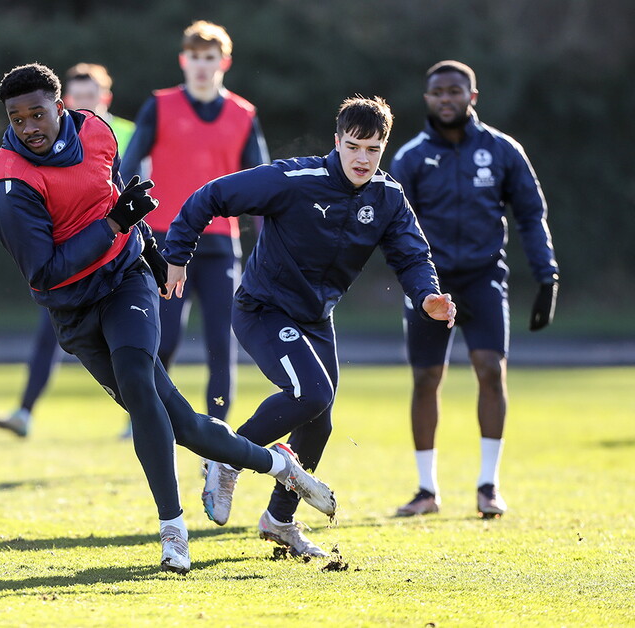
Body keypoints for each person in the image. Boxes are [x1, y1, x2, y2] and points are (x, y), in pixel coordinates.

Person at [0, 63, 336, 574]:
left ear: (61, 108)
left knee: (139, 384)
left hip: (127, 281)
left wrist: (151, 255)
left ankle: (173, 531)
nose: (29, 128)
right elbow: (46, 272)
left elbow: (120, 201)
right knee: (186, 426)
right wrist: (113, 224)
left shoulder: (98, 131)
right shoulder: (8, 188)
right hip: (73, 309)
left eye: (37, 114)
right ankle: (282, 465)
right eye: (17, 120)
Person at [162, 96, 456, 558]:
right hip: (263, 308)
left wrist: (428, 296)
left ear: (384, 148)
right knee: (313, 393)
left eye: (373, 149)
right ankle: (226, 456)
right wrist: (177, 255)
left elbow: (413, 255)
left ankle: (279, 520)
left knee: (319, 425)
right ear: (336, 141)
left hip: (316, 319)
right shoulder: (294, 179)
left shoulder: (387, 197)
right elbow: (211, 196)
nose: (363, 159)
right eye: (354, 146)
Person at [388, 60, 559, 518]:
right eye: (438, 93)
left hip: (484, 279)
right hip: (431, 282)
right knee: (426, 377)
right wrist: (410, 279)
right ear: (427, 100)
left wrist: (547, 275)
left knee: (489, 370)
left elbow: (530, 214)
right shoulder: (411, 157)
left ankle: (488, 485)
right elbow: (392, 225)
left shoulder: (503, 151)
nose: (447, 99)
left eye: (455, 91)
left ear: (472, 97)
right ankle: (426, 490)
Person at [119, 20, 269, 430]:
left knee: (222, 344)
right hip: (167, 243)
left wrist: (271, 236)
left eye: (210, 58)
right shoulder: (160, 106)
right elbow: (128, 167)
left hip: (222, 245)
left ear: (225, 62)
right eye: (195, 58)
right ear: (183, 61)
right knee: (162, 340)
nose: (202, 66)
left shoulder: (243, 114)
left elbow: (263, 185)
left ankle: (217, 433)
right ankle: (146, 416)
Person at [0, 62, 135, 438]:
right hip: (69, 265)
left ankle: (140, 414)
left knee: (135, 345)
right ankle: (25, 411)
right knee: (48, 334)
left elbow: (131, 189)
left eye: (91, 97)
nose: (83, 104)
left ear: (106, 98)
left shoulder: (121, 132)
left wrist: (145, 242)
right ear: (63, 101)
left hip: (119, 258)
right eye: (77, 97)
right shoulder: (34, 146)